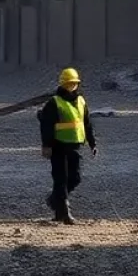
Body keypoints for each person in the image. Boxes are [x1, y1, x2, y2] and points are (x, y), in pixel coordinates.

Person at [38, 67, 98, 225]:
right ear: (62, 84)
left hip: (75, 146)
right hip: (58, 146)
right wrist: (46, 145)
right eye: (68, 83)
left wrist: (92, 143)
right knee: (60, 180)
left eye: (74, 83)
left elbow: (87, 123)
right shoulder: (54, 103)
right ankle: (65, 213)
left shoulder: (81, 101)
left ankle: (54, 201)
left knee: (75, 178)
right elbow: (46, 126)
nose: (71, 86)